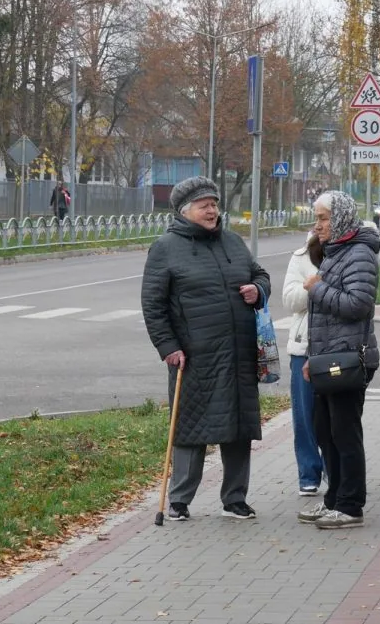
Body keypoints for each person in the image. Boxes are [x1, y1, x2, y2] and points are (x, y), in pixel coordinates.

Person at [141, 176, 271, 521]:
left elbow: (260, 275)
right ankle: (180, 499)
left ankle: (235, 499)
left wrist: (258, 290)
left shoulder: (232, 241)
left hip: (238, 352)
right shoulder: (166, 247)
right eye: (205, 205)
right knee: (190, 426)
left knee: (239, 427)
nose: (213, 210)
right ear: (186, 211)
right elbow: (153, 305)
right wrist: (168, 346)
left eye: (214, 204)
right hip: (194, 356)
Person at [296, 191, 380, 530]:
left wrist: (316, 289)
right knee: (325, 430)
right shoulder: (337, 251)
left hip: (348, 360)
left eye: (324, 218)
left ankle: (350, 505)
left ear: (342, 217)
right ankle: (333, 499)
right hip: (329, 359)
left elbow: (358, 304)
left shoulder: (358, 253)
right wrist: (311, 359)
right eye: (317, 218)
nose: (317, 225)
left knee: (344, 432)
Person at [282, 231, 325, 497]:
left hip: (337, 347)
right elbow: (289, 300)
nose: (323, 225)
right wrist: (312, 286)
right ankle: (309, 474)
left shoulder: (350, 253)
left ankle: (336, 469)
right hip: (303, 345)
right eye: (320, 219)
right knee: (304, 414)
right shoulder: (301, 257)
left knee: (335, 415)